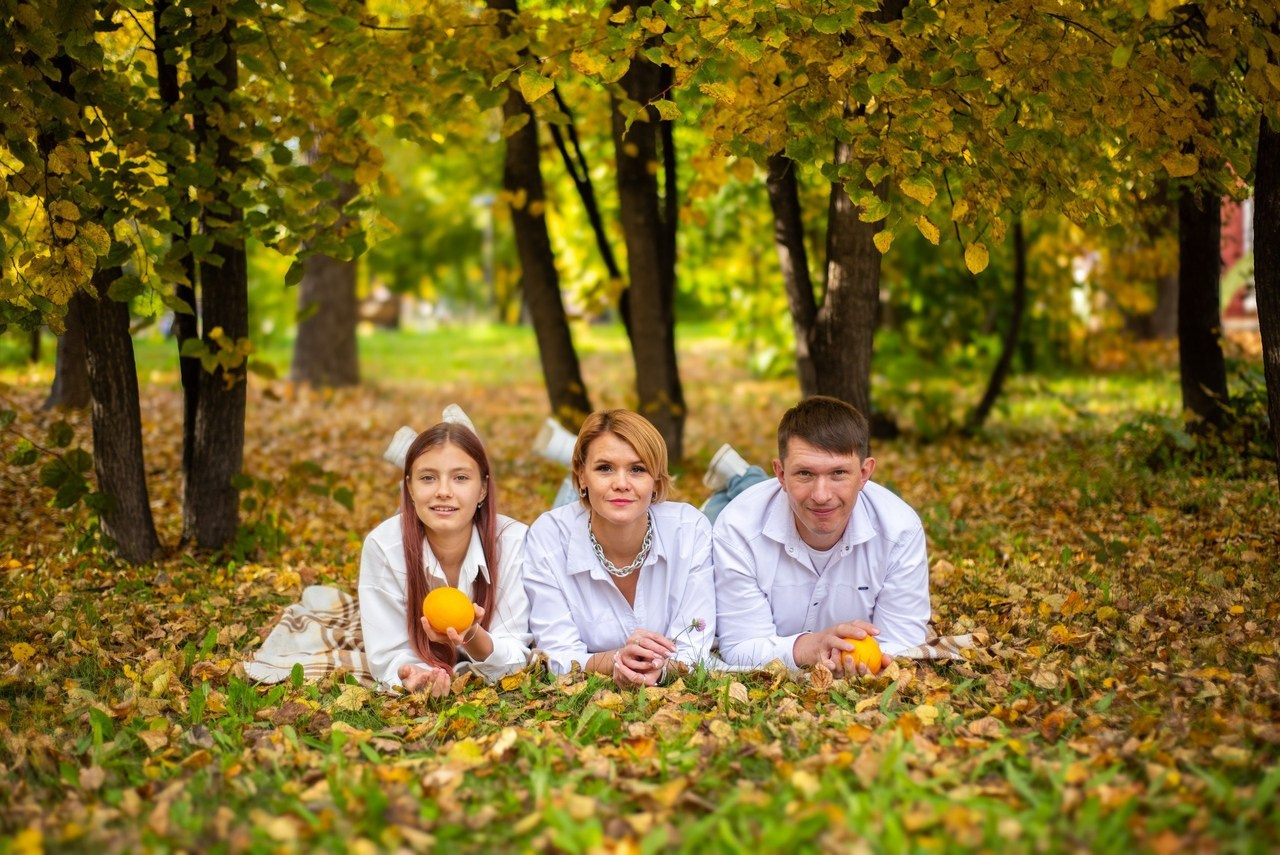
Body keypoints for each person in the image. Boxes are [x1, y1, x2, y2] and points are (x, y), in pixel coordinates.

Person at [712, 396, 930, 675]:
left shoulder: (900, 530)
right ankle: (738, 477)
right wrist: (810, 648)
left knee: (800, 501)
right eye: (805, 473)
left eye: (838, 473)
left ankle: (746, 476)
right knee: (720, 508)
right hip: (736, 508)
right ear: (780, 473)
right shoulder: (736, 528)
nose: (822, 495)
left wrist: (856, 660)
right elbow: (740, 645)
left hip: (784, 501)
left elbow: (904, 641)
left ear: (865, 473)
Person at [523, 410, 715, 687]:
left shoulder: (690, 529)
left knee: (725, 509)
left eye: (637, 469)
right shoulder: (547, 537)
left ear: (657, 480)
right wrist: (616, 660)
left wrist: (657, 669)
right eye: (604, 468)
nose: (622, 484)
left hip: (670, 516)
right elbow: (556, 654)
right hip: (576, 517)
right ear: (581, 477)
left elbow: (695, 646)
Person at [360, 414, 532, 695]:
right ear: (410, 489)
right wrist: (414, 675)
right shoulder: (383, 546)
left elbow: (513, 658)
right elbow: (387, 654)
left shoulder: (513, 541)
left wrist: (473, 634)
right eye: (428, 478)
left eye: (460, 477)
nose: (443, 491)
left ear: (483, 489)